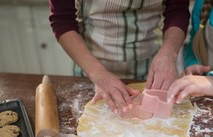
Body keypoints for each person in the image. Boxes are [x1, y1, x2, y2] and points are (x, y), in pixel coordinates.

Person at [49, 0, 190, 114]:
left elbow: (177, 9)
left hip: (152, 68)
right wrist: (97, 73)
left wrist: (169, 53)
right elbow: (62, 19)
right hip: (91, 69)